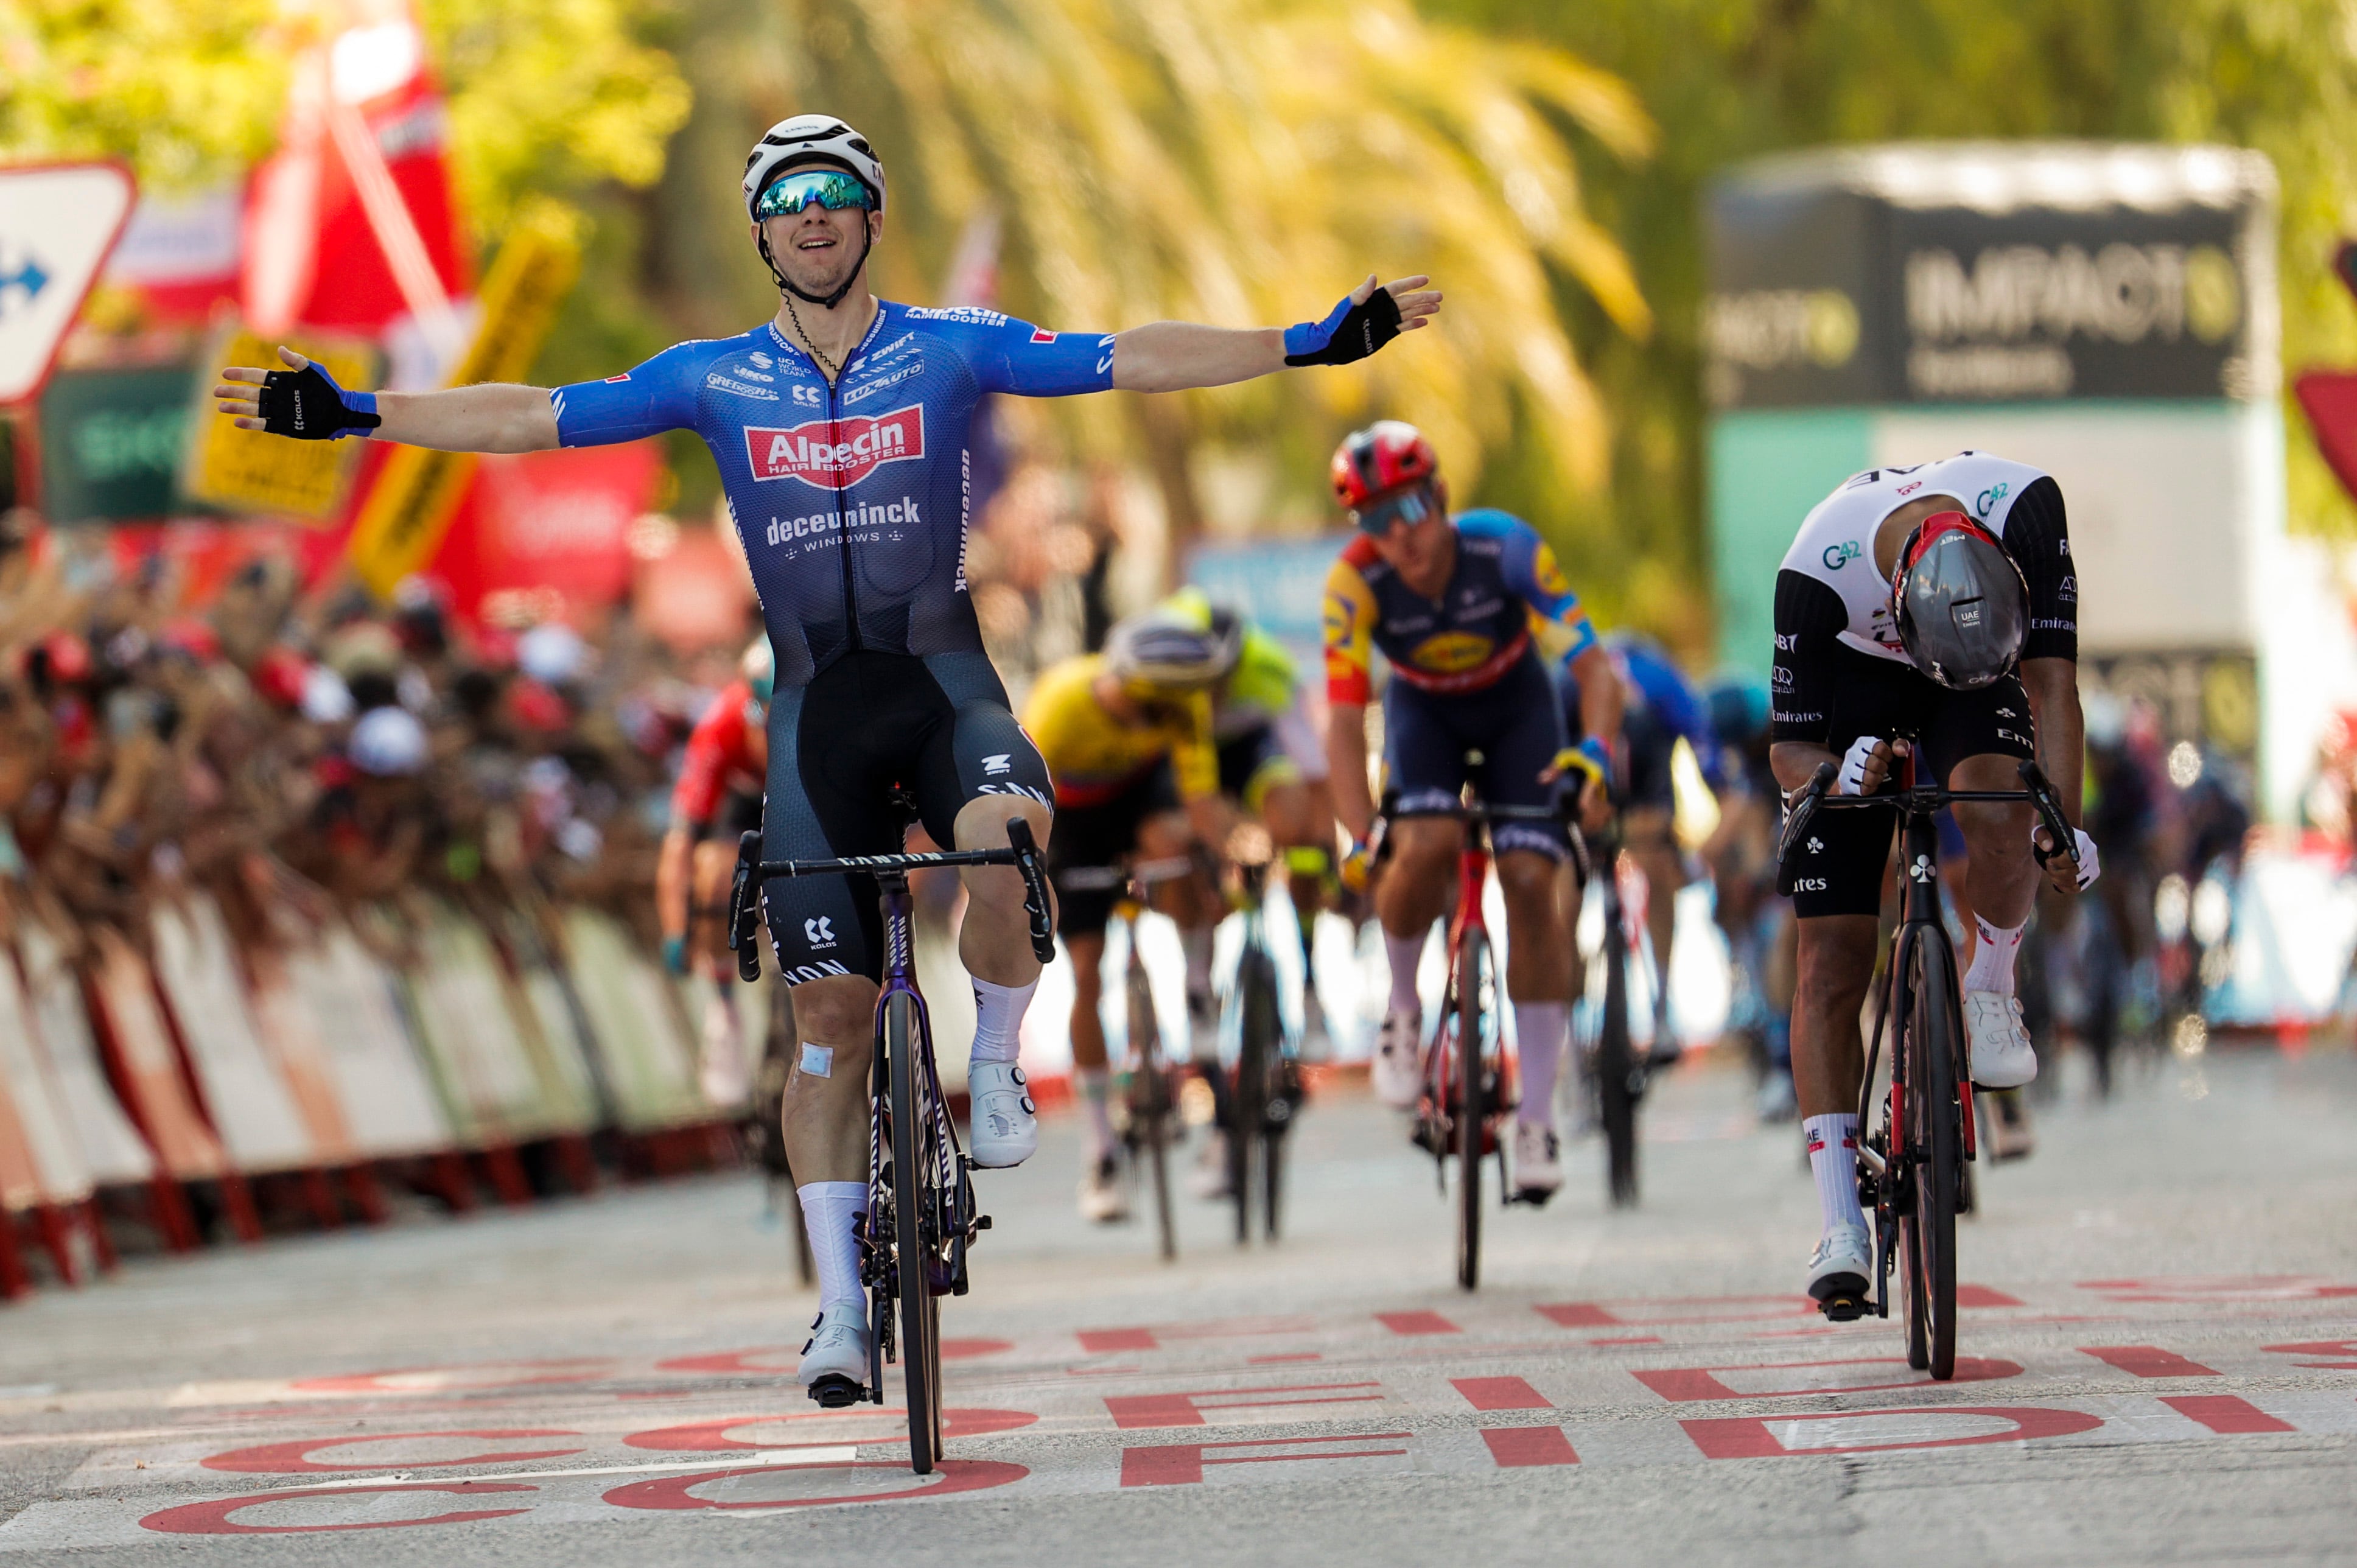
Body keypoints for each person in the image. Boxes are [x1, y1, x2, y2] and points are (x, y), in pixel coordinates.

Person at [217, 112, 1440, 1394]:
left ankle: (995, 1060)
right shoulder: (713, 376)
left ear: (869, 215)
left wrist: (1309, 340)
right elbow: (534, 414)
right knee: (827, 1019)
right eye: (788, 198)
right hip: (814, 718)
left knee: (1008, 837)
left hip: (941, 684)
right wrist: (355, 412)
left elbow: (1126, 358)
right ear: (761, 229)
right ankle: (840, 1311)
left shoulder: (949, 348)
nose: (812, 215)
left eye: (836, 194)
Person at [1768, 453, 2094, 1312]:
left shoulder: (2028, 507)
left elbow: (2054, 687)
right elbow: (1787, 751)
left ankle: (1991, 983)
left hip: (1980, 674)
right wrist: (1837, 778)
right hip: (1854, 681)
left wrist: (2063, 828)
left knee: (2000, 812)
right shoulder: (1814, 570)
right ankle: (1841, 1220)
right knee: (1831, 960)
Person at [1321, 421, 1615, 1202]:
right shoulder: (1352, 583)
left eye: (1409, 509)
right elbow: (1342, 724)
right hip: (1424, 716)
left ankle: (1539, 1117)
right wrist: (1360, 835)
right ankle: (1402, 1006)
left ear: (1441, 498)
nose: (1399, 535)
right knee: (1422, 842)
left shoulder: (1506, 549)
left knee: (1527, 877)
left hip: (1519, 708)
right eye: (1374, 522)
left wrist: (1597, 757)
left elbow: (1595, 671)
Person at [1021, 615, 1235, 1222]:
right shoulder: (1062, 704)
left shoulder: (1177, 706)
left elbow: (1198, 801)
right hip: (1069, 816)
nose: (1179, 711)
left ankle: (1196, 987)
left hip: (1140, 801)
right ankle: (1100, 1147)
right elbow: (1023, 799)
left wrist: (1215, 867)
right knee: (1085, 973)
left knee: (1175, 849)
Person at [1559, 631, 1711, 1060]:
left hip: (1645, 788)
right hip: (1579, 787)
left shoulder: (1659, 685)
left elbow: (1701, 753)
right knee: (1563, 897)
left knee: (1657, 863)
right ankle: (1569, 1031)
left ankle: (1663, 1006)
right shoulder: (1566, 689)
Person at [654, 637, 772, 1107]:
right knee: (716, 869)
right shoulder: (720, 725)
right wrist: (676, 928)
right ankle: (723, 1011)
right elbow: (680, 845)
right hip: (745, 806)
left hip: (813, 789)